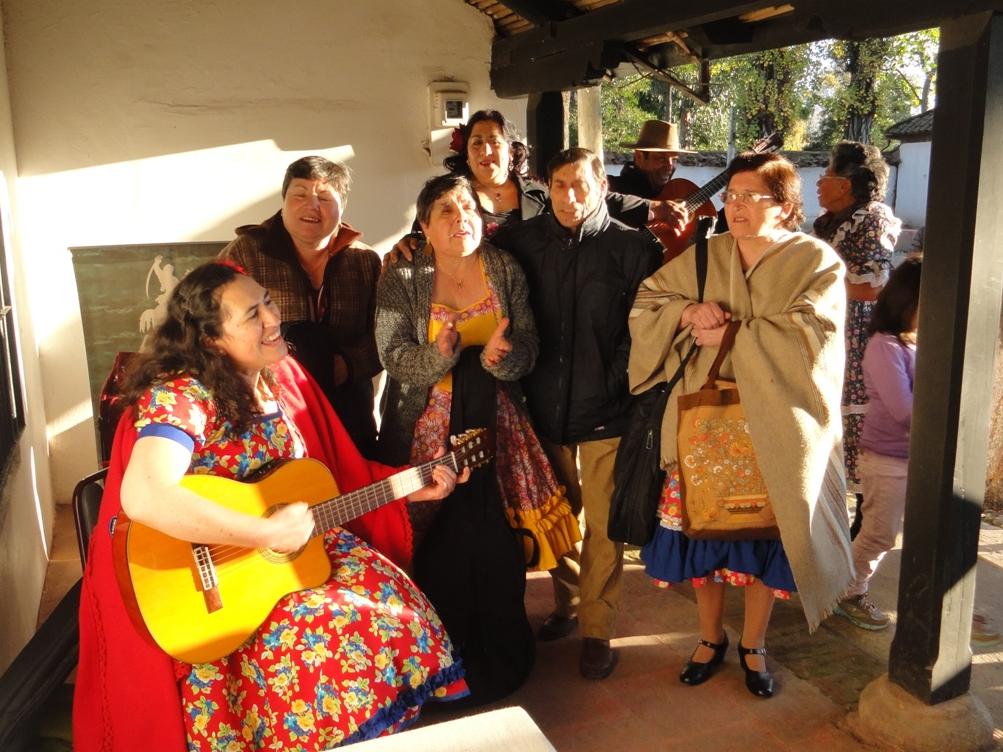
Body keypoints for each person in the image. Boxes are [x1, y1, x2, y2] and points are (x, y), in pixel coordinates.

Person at [74, 262, 468, 752]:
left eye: (268, 301)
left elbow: (325, 477)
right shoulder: (181, 395)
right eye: (252, 314)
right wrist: (263, 534)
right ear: (212, 340)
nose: (272, 318)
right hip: (219, 591)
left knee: (399, 618)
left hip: (291, 563)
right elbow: (146, 493)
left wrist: (405, 487)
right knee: (340, 640)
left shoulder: (278, 377)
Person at [629, 152, 852, 698]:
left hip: (774, 429)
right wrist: (685, 314)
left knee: (762, 545)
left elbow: (814, 336)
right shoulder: (709, 255)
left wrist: (734, 335)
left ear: (785, 206)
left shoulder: (816, 263)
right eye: (732, 196)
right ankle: (709, 638)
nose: (738, 207)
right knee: (705, 534)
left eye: (753, 197)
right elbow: (647, 301)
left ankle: (753, 644)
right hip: (703, 424)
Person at [375, 174, 579, 703]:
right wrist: (440, 356)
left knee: (496, 537)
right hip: (424, 425)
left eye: (466, 206)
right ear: (423, 226)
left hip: (498, 423)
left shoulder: (503, 266)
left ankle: (497, 643)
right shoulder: (403, 275)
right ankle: (434, 653)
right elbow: (392, 354)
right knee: (427, 537)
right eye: (444, 209)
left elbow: (529, 343)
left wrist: (503, 358)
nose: (459, 217)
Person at [491, 147, 662, 680]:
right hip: (541, 410)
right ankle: (568, 604)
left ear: (602, 185)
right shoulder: (520, 243)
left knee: (606, 528)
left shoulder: (634, 249)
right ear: (548, 186)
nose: (569, 196)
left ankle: (598, 628)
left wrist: (617, 381)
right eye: (560, 185)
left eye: (580, 185)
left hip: (609, 411)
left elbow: (648, 331)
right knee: (560, 518)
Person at [220, 156, 382, 458]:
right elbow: (214, 323)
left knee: (356, 490)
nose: (312, 206)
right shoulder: (245, 253)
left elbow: (385, 335)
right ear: (283, 200)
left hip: (348, 408)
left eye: (324, 197)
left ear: (342, 207)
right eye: (300, 195)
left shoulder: (364, 261)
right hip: (269, 406)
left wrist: (347, 366)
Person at [814, 142, 902, 530]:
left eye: (827, 176)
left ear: (846, 185)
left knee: (858, 435)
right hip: (829, 338)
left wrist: (813, 281)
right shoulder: (830, 221)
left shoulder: (873, 218)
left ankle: (860, 539)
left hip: (857, 342)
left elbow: (873, 283)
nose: (819, 183)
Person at [834, 257, 919, 630]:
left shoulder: (912, 345)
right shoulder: (885, 346)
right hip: (887, 458)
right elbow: (905, 410)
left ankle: (846, 589)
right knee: (879, 534)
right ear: (908, 301)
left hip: (909, 458)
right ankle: (846, 592)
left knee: (885, 533)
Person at [609, 119, 695, 199]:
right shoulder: (611, 190)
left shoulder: (673, 195)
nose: (670, 166)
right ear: (639, 156)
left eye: (674, 160)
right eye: (662, 159)